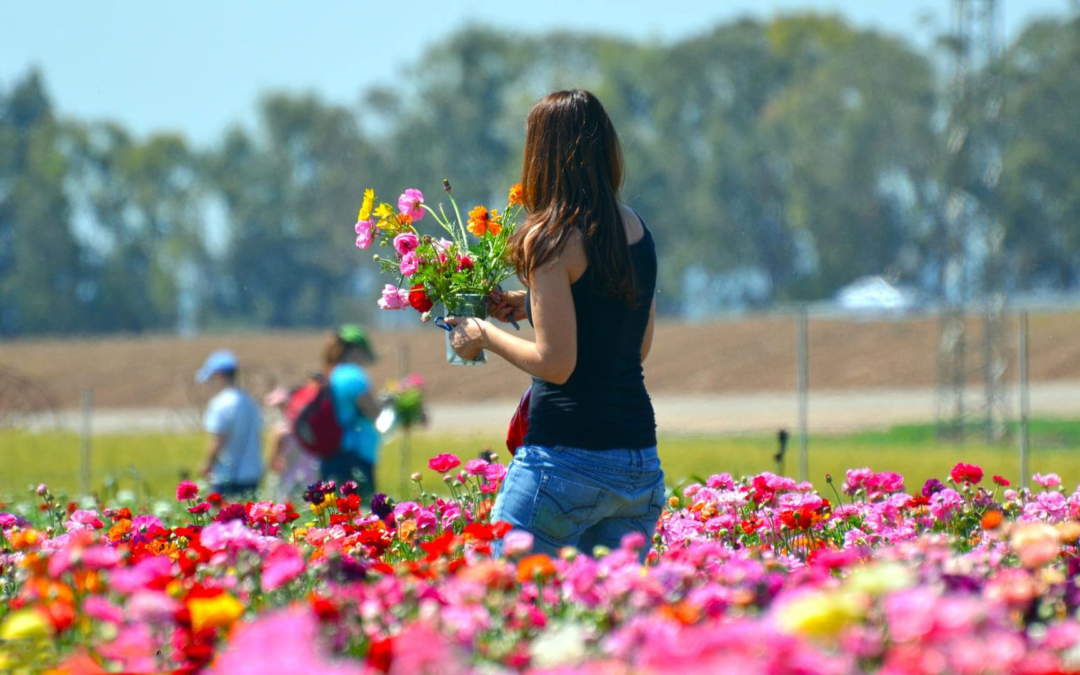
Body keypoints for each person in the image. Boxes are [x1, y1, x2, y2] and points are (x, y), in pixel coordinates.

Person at [446, 89, 663, 559]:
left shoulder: (550, 236)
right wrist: (533, 305)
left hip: (565, 460)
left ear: (542, 156)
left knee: (510, 600)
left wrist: (484, 333)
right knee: (606, 617)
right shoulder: (637, 230)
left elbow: (557, 363)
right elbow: (635, 344)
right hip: (638, 463)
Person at [320, 324, 381, 497]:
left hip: (331, 450)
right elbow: (372, 412)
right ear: (355, 350)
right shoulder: (353, 375)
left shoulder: (331, 373)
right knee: (361, 511)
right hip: (355, 452)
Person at [195, 350, 264, 498]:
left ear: (220, 375)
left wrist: (207, 465)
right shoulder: (250, 402)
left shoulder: (220, 404)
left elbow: (218, 440)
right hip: (252, 473)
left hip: (227, 475)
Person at [265, 386, 319, 500]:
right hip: (310, 477)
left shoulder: (281, 430)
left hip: (289, 481)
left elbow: (272, 463)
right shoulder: (308, 426)